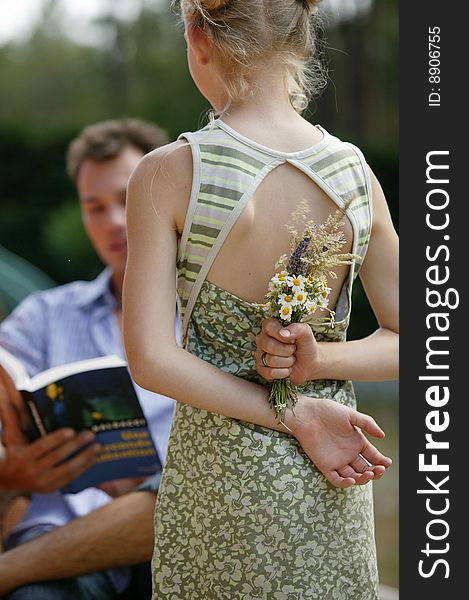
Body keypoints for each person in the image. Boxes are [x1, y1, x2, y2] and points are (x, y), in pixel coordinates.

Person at [123, 0, 398, 598]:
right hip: (336, 474)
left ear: (198, 37)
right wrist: (319, 361)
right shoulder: (354, 172)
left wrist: (291, 413)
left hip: (220, 485)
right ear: (303, 39)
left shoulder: (171, 172)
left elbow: (149, 357)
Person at [0, 118, 175, 599]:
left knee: (180, 491)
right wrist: (13, 470)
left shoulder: (213, 314)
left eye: (125, 200)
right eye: (93, 207)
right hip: (57, 545)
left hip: (170, 539)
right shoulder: (44, 315)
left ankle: (8, 573)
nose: (112, 222)